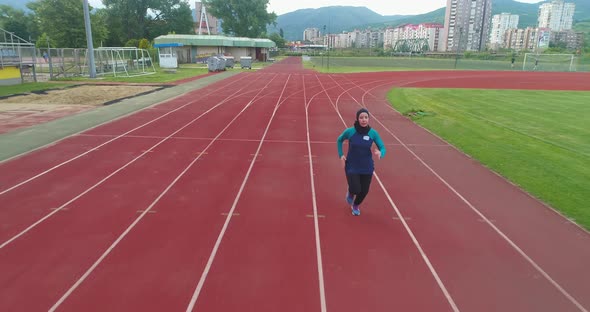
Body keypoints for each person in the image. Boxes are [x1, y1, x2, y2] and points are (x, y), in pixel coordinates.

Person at [337, 108, 386, 216]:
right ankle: (350, 192)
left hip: (367, 167)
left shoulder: (373, 133)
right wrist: (341, 155)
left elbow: (382, 147)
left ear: (369, 119)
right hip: (352, 165)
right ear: (357, 119)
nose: (364, 120)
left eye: (366, 117)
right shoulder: (350, 131)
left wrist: (380, 153)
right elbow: (339, 140)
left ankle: (356, 205)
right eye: (361, 117)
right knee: (355, 189)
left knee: (364, 191)